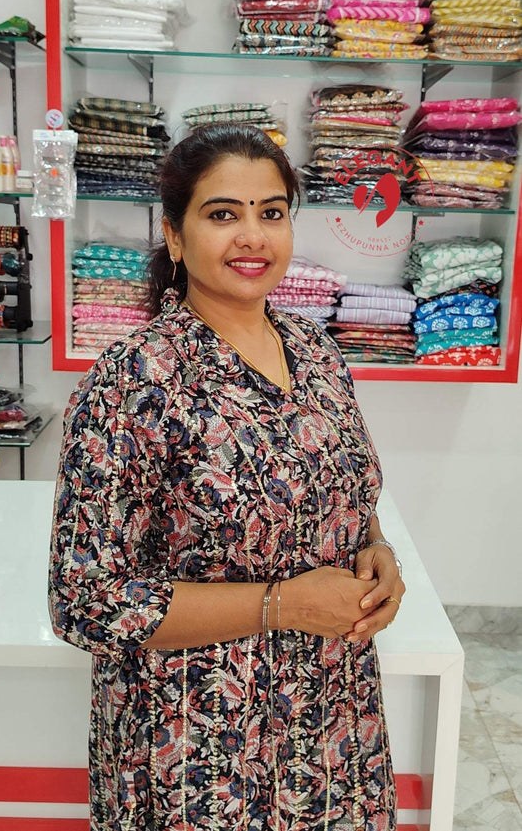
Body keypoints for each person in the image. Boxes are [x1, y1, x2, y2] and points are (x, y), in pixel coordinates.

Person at [49, 123, 405, 831]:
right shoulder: (134, 380)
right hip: (197, 746)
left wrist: (375, 546)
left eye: (271, 212)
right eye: (222, 214)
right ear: (175, 236)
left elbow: (343, 486)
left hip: (330, 723)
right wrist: (279, 605)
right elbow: (85, 600)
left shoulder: (313, 348)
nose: (253, 236)